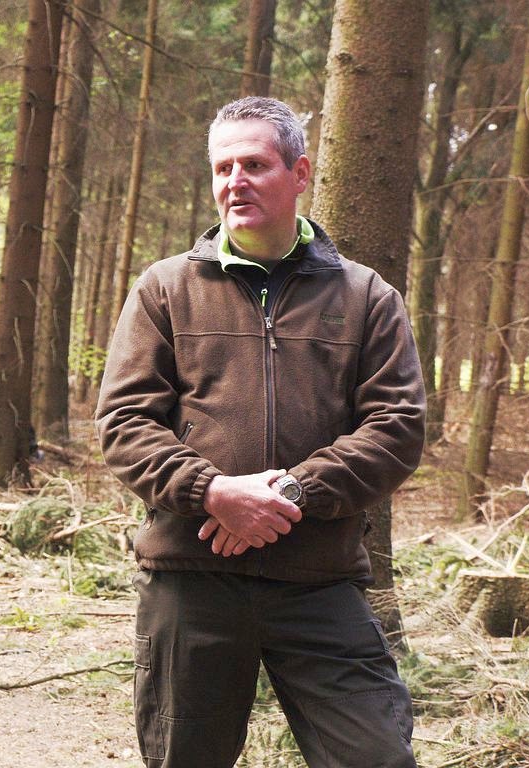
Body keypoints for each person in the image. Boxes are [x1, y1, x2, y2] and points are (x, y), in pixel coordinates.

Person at [95, 96, 425, 768]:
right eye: (223, 168)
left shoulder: (366, 297)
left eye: (253, 164)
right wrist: (213, 492)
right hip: (191, 576)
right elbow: (125, 421)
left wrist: (291, 495)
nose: (235, 182)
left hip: (318, 578)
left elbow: (396, 427)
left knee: (375, 756)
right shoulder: (166, 289)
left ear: (299, 173)